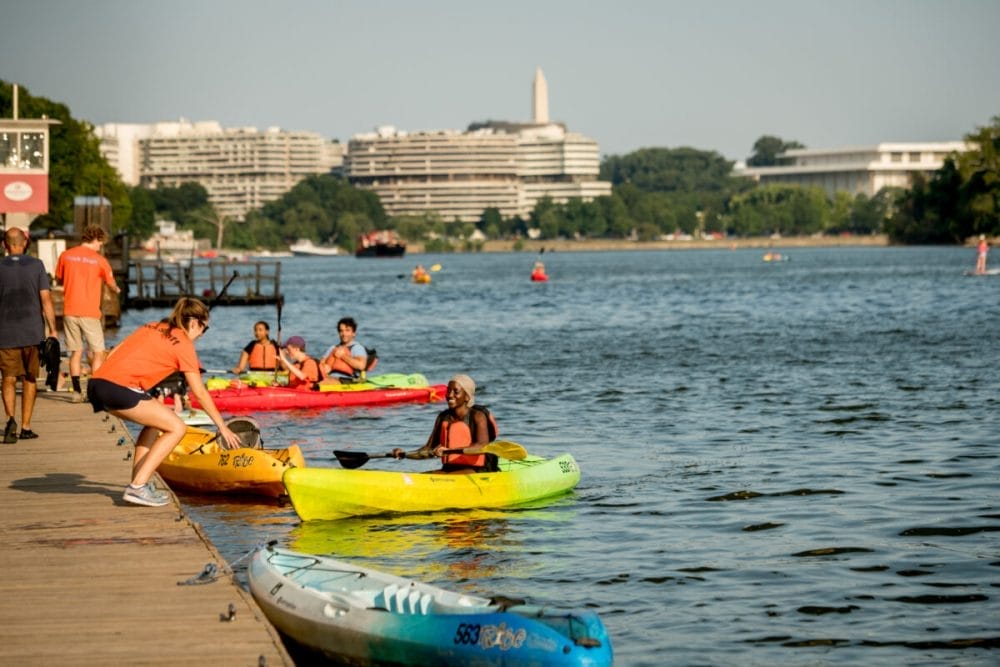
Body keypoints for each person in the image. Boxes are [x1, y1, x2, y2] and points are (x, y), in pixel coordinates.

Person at [87, 297, 241, 506]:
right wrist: (222, 427)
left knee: (156, 424)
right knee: (177, 428)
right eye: (204, 328)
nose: (202, 335)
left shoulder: (151, 325)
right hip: (119, 388)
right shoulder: (184, 345)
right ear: (195, 322)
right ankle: (137, 488)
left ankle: (139, 482)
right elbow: (200, 393)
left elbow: (115, 351)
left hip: (97, 384)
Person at [0, 227, 58, 442]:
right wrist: (53, 330)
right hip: (32, 332)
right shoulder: (37, 265)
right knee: (30, 378)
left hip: (4, 333)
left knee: (8, 377)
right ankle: (25, 426)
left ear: (4, 245)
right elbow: (46, 300)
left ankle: (10, 420)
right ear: (24, 243)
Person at [54, 225, 122, 402]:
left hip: (69, 311)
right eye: (101, 242)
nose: (101, 246)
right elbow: (111, 283)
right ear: (96, 239)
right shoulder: (100, 260)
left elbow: (59, 277)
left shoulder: (66, 255)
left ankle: (77, 392)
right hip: (90, 312)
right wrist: (117, 289)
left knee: (75, 353)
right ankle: (94, 392)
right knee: (98, 352)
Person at [392, 374, 499, 473]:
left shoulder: (478, 416)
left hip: (475, 470)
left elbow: (481, 446)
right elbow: (428, 449)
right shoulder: (443, 417)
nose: (450, 395)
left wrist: (450, 451)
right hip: (449, 469)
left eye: (456, 391)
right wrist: (404, 454)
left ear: (467, 397)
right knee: (421, 477)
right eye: (448, 391)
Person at [319, 317, 369, 383]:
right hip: (330, 377)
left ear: (353, 333)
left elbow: (361, 366)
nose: (344, 334)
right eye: (341, 331)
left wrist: (342, 356)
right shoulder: (333, 348)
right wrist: (323, 367)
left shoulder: (357, 348)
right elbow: (321, 363)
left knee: (322, 382)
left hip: (347, 380)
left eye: (347, 330)